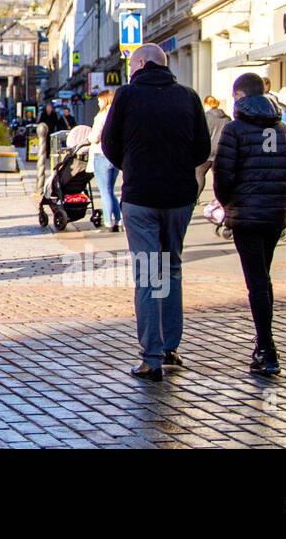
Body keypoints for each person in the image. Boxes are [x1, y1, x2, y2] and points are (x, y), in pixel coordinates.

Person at [99, 43, 210, 382]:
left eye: (133, 67)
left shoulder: (127, 96)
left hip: (141, 197)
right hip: (179, 198)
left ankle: (151, 358)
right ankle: (171, 347)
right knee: (172, 268)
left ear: (143, 64)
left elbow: (108, 143)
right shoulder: (189, 96)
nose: (131, 73)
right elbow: (203, 149)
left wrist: (132, 167)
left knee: (148, 274)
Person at [212, 73, 286, 376]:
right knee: (263, 276)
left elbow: (223, 176)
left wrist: (226, 203)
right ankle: (264, 343)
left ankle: (266, 347)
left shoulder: (234, 130)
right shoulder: (285, 130)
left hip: (246, 215)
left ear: (239, 97)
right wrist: (281, 196)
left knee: (257, 281)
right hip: (275, 214)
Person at [88, 89, 122, 232]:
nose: (98, 102)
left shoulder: (101, 116)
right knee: (110, 190)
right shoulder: (118, 114)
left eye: (99, 100)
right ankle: (119, 220)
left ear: (105, 100)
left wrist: (89, 137)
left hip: (101, 155)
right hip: (114, 156)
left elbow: (95, 137)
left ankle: (108, 221)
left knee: (104, 190)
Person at [195, 95, 230, 202]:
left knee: (199, 173)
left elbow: (201, 134)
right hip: (222, 150)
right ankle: (220, 199)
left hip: (207, 151)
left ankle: (195, 197)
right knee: (218, 176)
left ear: (207, 104)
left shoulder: (206, 117)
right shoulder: (227, 118)